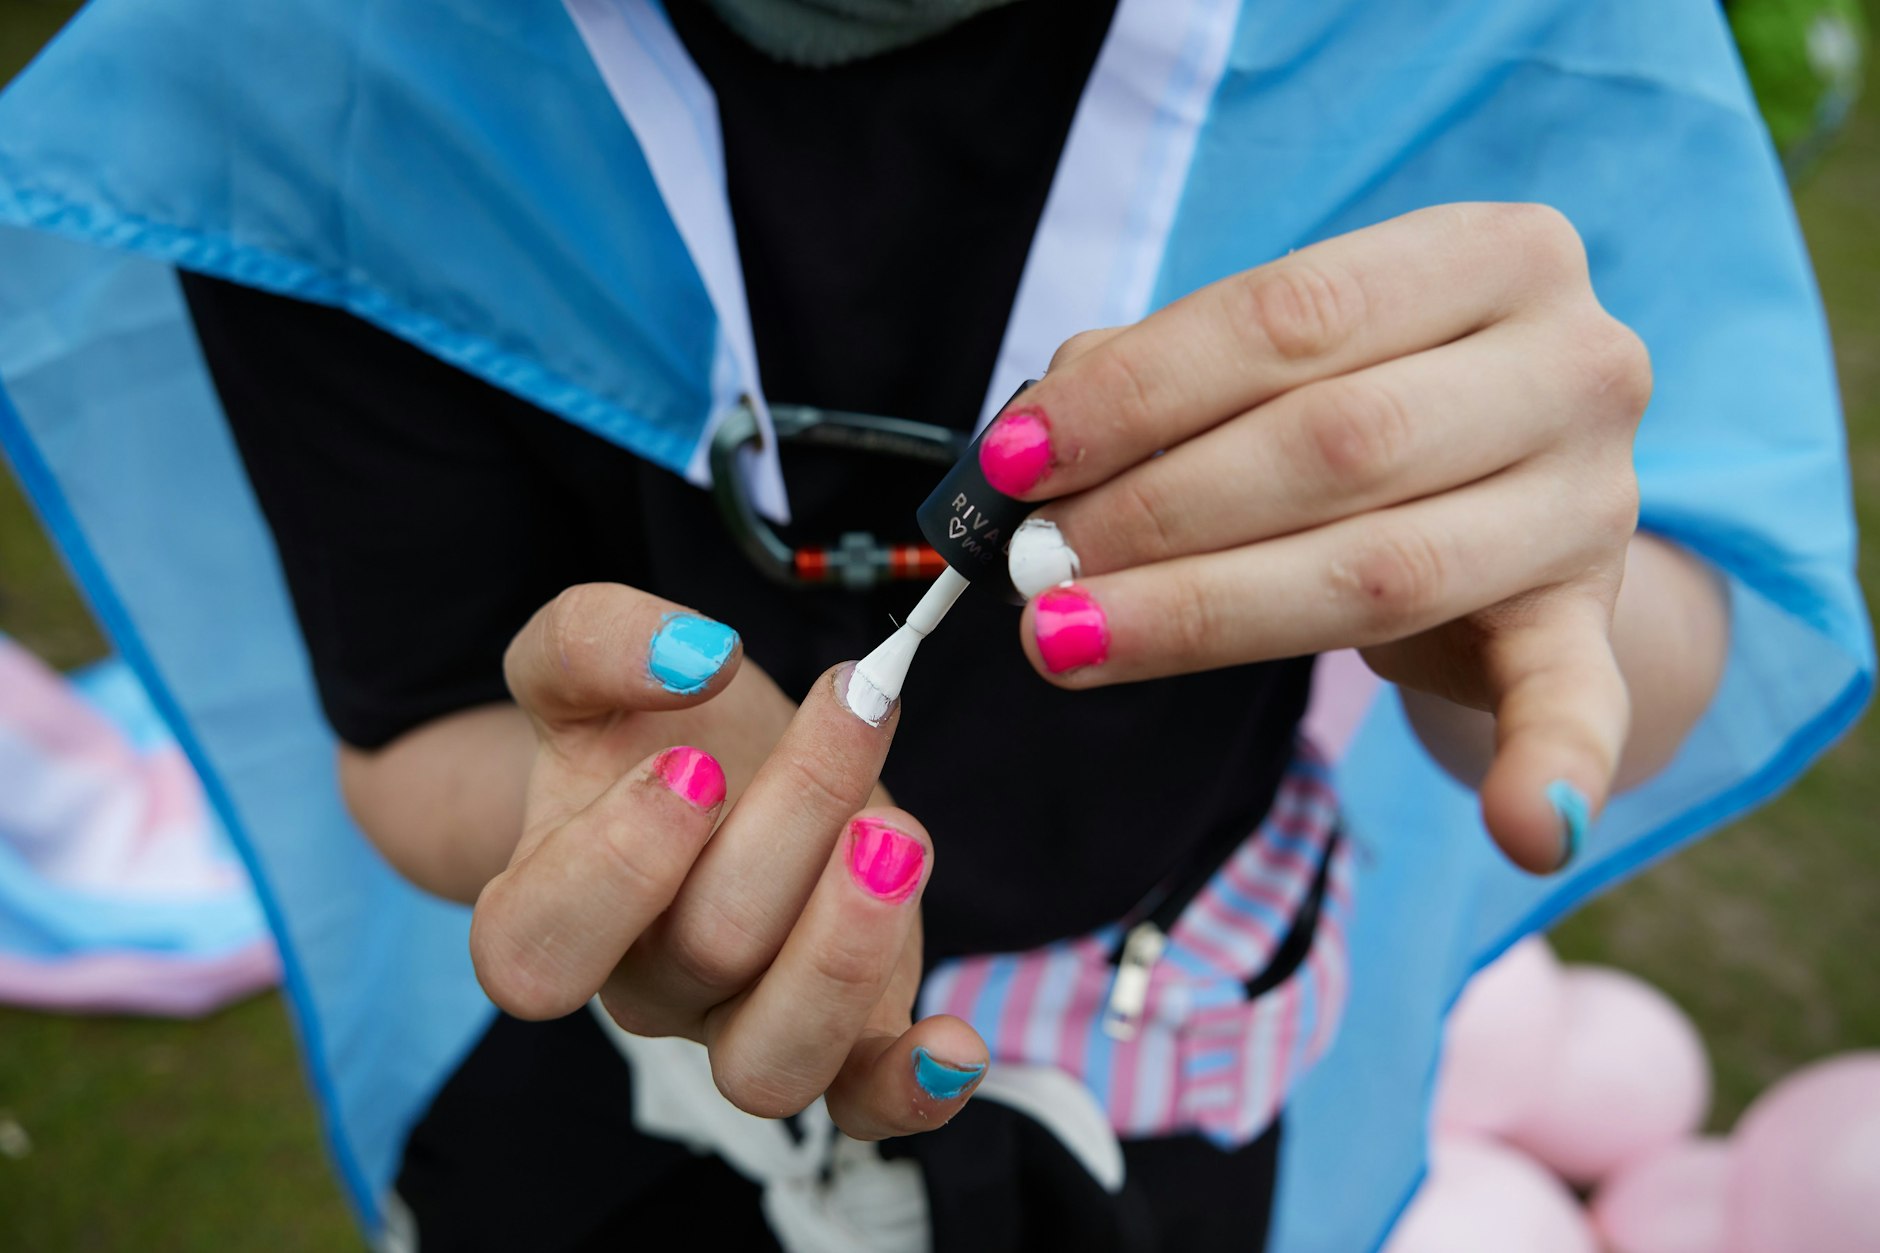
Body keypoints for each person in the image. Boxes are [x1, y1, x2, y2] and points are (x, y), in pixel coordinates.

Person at [0, 1, 1868, 1249]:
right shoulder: (319, 68)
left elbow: (1625, 663)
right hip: (616, 1132)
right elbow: (416, 727)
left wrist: (1533, 608)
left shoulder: (1467, 39)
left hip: (1177, 1095)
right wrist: (624, 822)